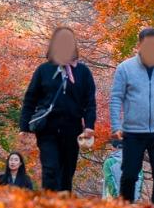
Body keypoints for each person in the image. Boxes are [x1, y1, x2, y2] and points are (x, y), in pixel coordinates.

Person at [18, 25, 97, 194]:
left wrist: (89, 125)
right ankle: (48, 206)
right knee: (50, 169)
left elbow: (89, 102)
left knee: (67, 173)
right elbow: (30, 99)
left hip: (73, 129)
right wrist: (24, 127)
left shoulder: (82, 72)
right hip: (48, 129)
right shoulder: (43, 70)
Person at [110, 26, 154, 205]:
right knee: (130, 173)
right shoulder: (125, 68)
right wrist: (116, 126)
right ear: (139, 45)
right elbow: (116, 97)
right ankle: (125, 207)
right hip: (132, 131)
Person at [102, 137, 143, 202]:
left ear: (117, 147)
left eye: (112, 147)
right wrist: (137, 197)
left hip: (115, 201)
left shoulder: (109, 162)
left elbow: (110, 181)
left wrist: (117, 198)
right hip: (133, 200)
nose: (111, 149)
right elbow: (140, 179)